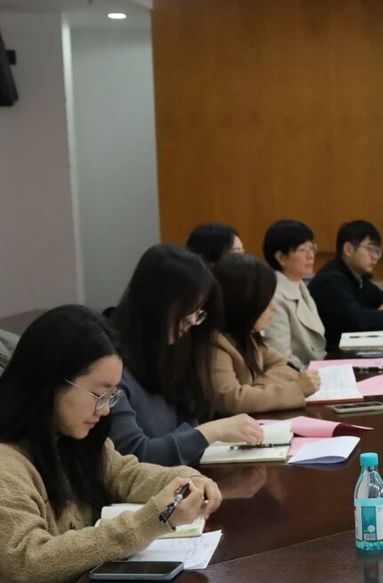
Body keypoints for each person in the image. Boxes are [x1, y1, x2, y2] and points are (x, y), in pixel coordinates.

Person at [0, 305, 223, 583]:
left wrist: (187, 481)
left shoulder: (74, 438)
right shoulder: (7, 464)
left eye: (112, 396)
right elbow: (26, 561)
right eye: (99, 394)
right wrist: (152, 520)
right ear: (50, 381)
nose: (105, 409)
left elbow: (125, 474)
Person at [109, 244, 264, 466]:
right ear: (155, 302)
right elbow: (135, 456)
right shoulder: (111, 369)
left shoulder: (170, 353)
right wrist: (212, 431)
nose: (191, 321)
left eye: (198, 311)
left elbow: (187, 426)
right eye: (186, 309)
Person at [210, 253, 321, 414]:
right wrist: (295, 389)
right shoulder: (215, 344)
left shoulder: (248, 336)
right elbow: (232, 400)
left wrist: (257, 389)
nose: (273, 307)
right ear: (243, 301)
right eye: (265, 300)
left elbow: (285, 364)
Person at [309, 220, 383, 351]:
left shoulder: (357, 278)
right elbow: (357, 320)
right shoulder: (331, 280)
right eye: (371, 249)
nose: (375, 257)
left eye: (378, 251)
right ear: (348, 249)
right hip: (331, 355)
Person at [261, 219, 327, 365]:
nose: (310, 255)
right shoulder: (275, 297)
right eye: (302, 250)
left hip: (315, 368)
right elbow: (282, 359)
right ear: (281, 257)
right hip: (297, 374)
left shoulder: (299, 285)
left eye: (312, 249)